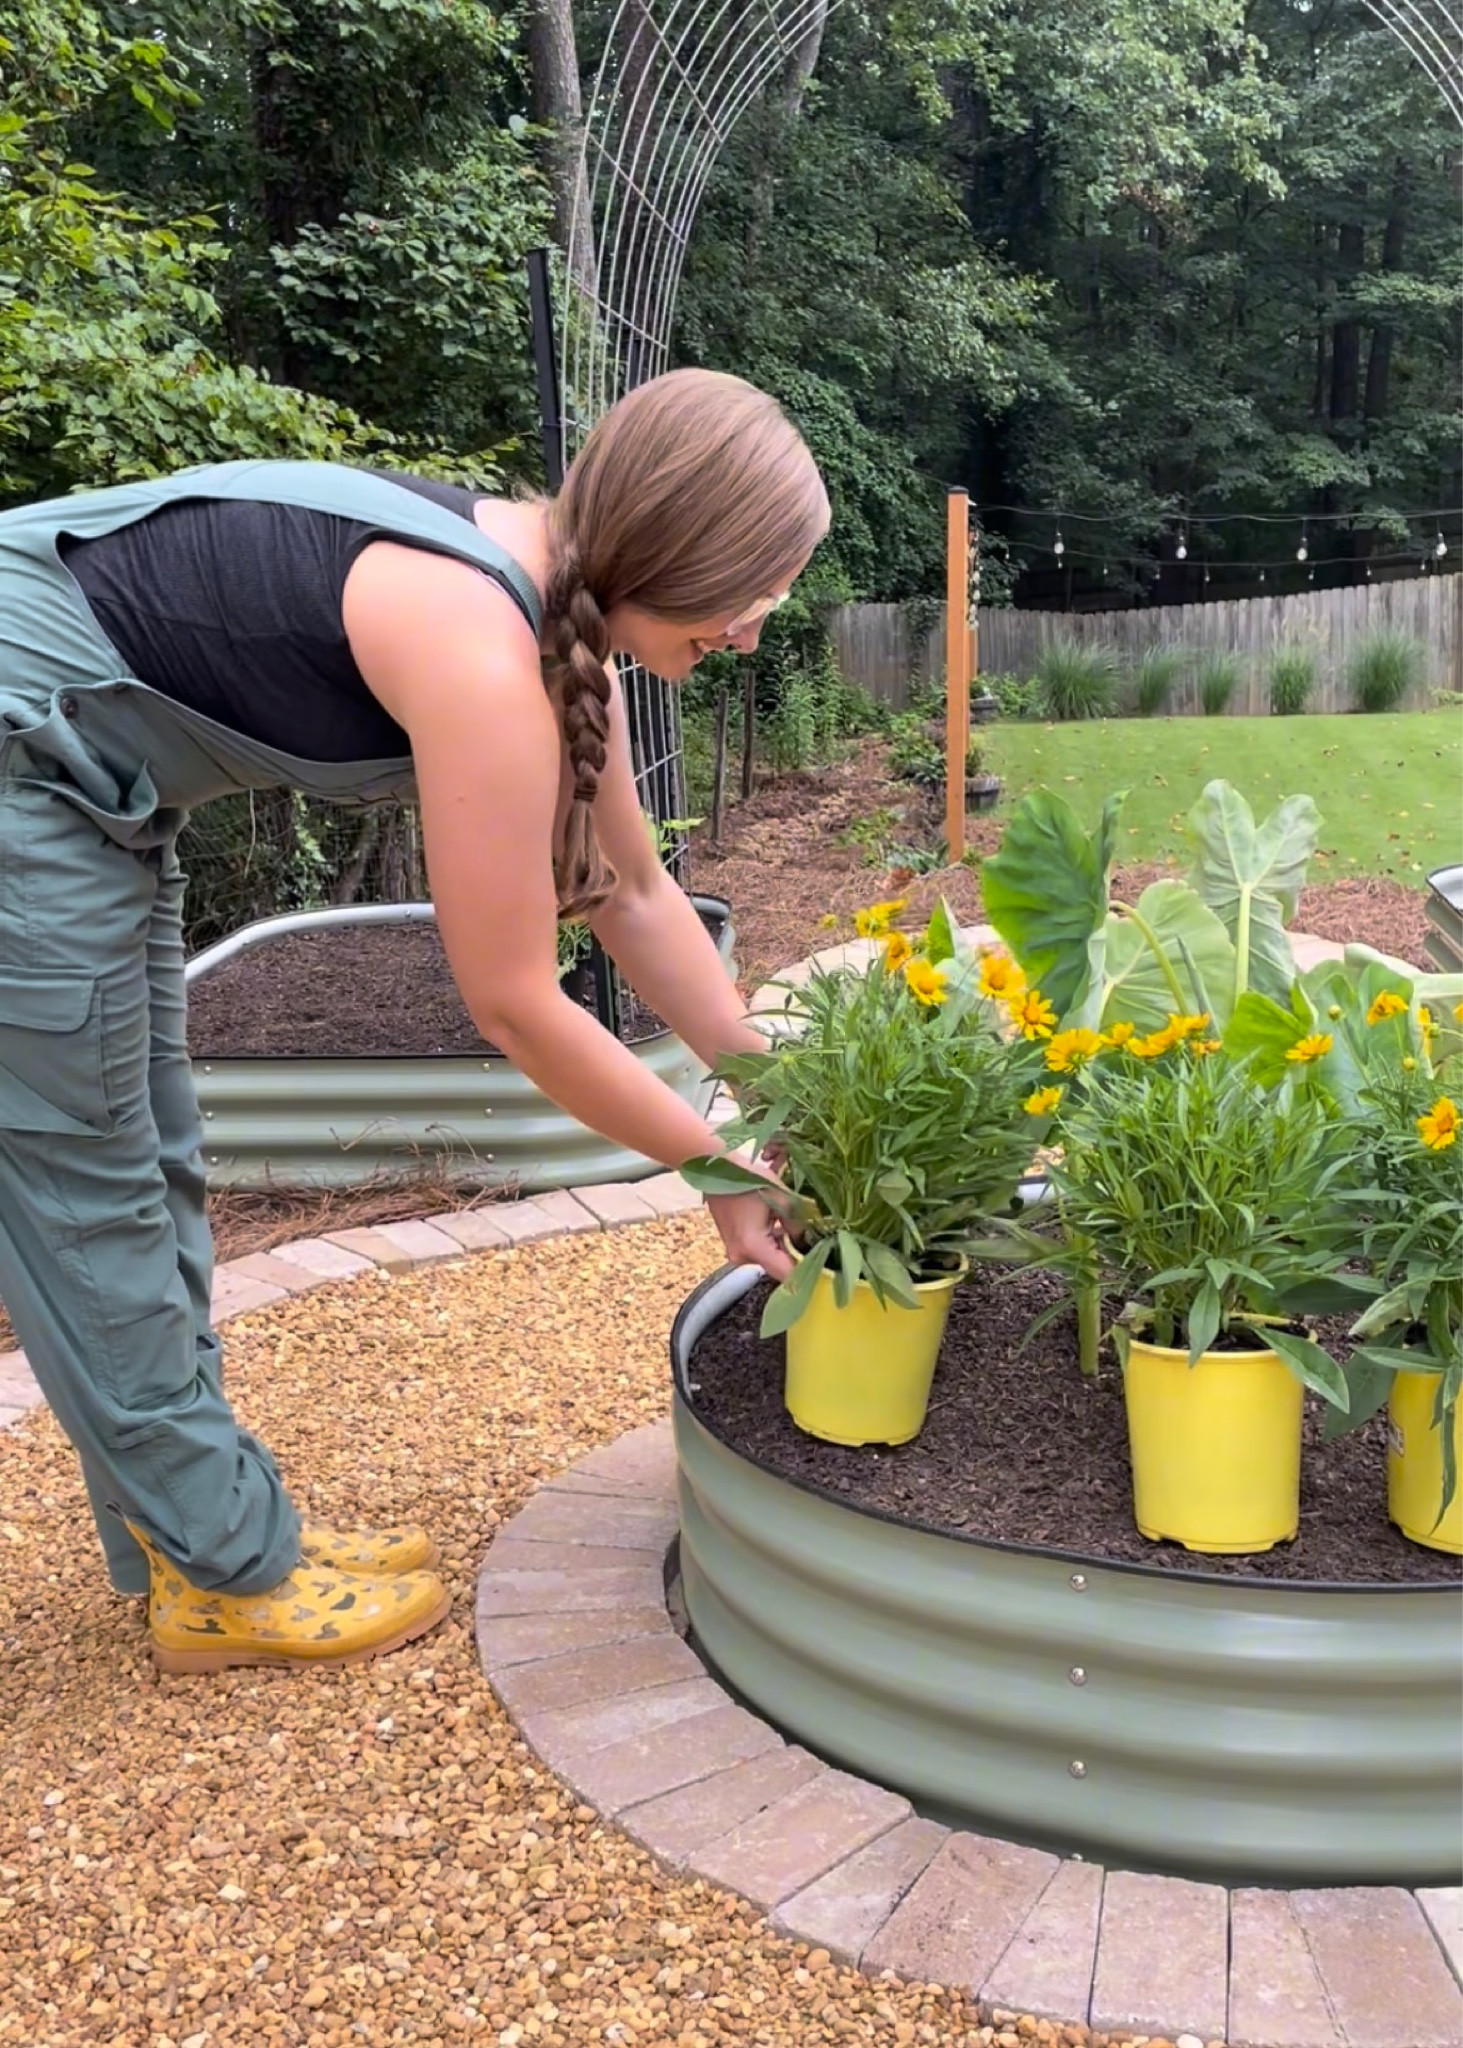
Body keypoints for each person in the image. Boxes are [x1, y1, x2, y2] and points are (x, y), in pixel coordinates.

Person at [0, 367, 827, 1673]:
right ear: (679, 551)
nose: (749, 637)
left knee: (152, 1155)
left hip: (84, 788)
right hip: (21, 766)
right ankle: (228, 1575)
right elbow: (511, 1001)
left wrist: (792, 1097)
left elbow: (637, 897)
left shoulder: (551, 625)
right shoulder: (483, 653)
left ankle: (205, 1527)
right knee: (92, 1184)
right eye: (747, 603)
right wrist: (716, 1167)